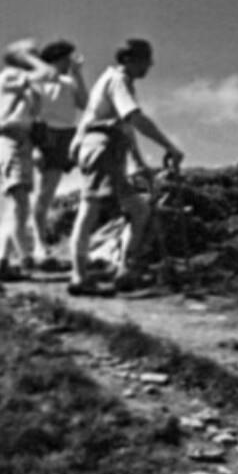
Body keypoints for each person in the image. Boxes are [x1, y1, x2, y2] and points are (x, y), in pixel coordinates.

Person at [68, 36, 186, 296]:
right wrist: (169, 146)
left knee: (139, 210)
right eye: (146, 60)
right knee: (89, 208)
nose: (149, 66)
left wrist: (140, 164)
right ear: (130, 60)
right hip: (100, 148)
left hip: (107, 149)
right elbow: (135, 118)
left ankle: (125, 270)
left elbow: (126, 128)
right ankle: (79, 276)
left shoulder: (120, 82)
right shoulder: (118, 80)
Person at [0, 40, 47, 280]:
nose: (38, 57)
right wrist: (30, 59)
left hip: (18, 143)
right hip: (10, 141)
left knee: (17, 205)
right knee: (18, 204)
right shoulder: (10, 76)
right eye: (32, 54)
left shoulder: (17, 82)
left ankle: (11, 260)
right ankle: (11, 260)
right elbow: (45, 73)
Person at [30, 39, 86, 272]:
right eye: (65, 58)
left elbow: (85, 104)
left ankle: (76, 241)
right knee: (45, 192)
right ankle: (39, 244)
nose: (68, 62)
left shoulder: (69, 81)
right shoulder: (36, 82)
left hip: (69, 135)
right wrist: (34, 147)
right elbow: (31, 115)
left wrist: (78, 75)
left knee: (91, 183)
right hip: (47, 135)